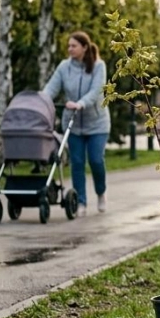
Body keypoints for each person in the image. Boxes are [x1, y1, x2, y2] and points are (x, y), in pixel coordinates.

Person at [41, 30, 110, 214]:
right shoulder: (64, 67)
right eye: (68, 46)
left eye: (74, 46)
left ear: (84, 47)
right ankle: (81, 202)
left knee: (96, 160)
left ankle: (101, 192)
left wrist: (81, 103)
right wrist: (42, 100)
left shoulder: (98, 66)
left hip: (97, 123)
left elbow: (96, 91)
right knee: (77, 162)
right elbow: (52, 87)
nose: (70, 49)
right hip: (72, 123)